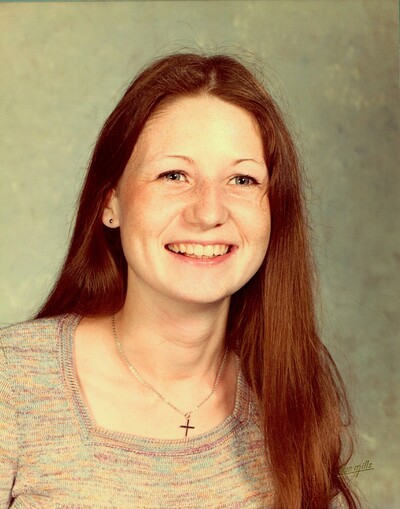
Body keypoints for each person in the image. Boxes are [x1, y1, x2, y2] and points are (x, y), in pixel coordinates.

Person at [0, 53, 359, 508]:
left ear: (275, 210)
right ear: (110, 203)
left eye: (242, 179)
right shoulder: (12, 382)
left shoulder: (291, 392)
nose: (209, 212)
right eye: (174, 175)